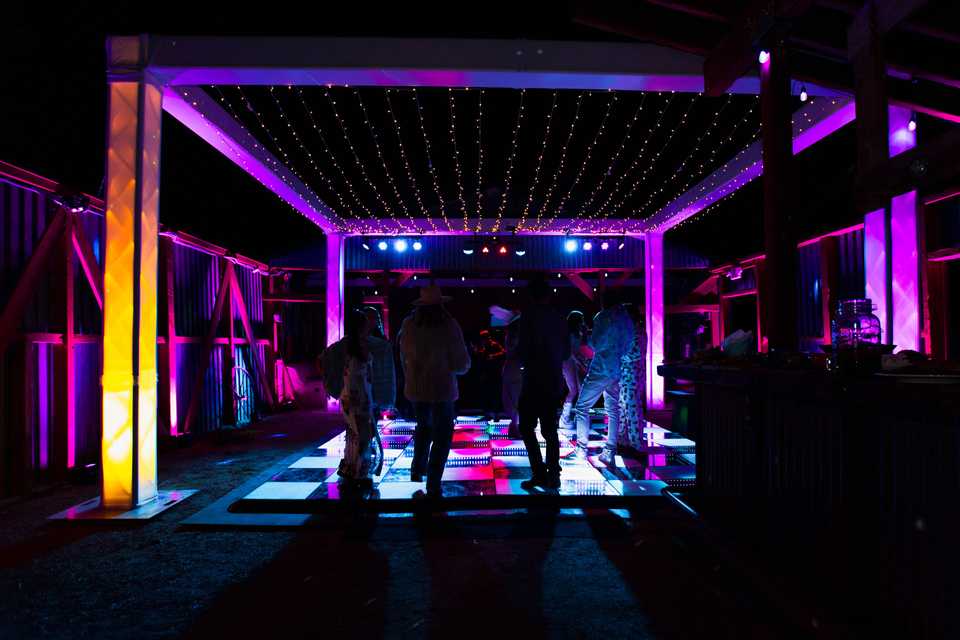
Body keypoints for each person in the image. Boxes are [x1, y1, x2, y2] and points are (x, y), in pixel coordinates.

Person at [398, 285, 471, 499]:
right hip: (442, 389)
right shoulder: (449, 326)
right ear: (441, 305)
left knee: (423, 428)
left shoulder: (409, 325)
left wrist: (410, 377)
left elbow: (403, 358)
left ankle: (418, 469)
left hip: (416, 388)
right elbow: (460, 362)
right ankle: (433, 481)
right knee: (442, 436)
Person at [516, 277, 570, 490]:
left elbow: (523, 351)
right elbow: (566, 353)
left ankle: (539, 472)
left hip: (532, 381)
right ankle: (553, 474)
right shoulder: (559, 319)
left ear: (531, 296)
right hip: (553, 380)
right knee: (550, 430)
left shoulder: (528, 317)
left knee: (527, 427)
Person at [572, 289, 635, 465]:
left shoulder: (603, 316)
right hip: (616, 368)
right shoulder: (626, 318)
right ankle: (609, 452)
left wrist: (586, 334)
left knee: (582, 407)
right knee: (613, 409)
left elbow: (595, 344)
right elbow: (629, 346)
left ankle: (581, 449)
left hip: (601, 369)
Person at [335, 310, 377, 490]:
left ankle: (354, 469)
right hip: (356, 396)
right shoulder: (356, 347)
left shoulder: (352, 345)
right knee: (362, 434)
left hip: (355, 395)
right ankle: (358, 471)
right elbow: (354, 375)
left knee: (357, 433)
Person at [617, 302, 647, 452]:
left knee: (632, 409)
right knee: (623, 408)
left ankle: (637, 444)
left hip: (632, 376)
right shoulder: (632, 330)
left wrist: (617, 353)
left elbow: (634, 353)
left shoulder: (638, 331)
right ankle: (624, 441)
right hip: (626, 375)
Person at [559, 310, 592, 433]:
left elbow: (582, 348)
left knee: (580, 390)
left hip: (576, 362)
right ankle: (565, 419)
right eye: (581, 320)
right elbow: (569, 350)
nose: (583, 322)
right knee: (573, 390)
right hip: (569, 361)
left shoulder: (579, 333)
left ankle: (577, 418)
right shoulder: (568, 334)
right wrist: (578, 360)